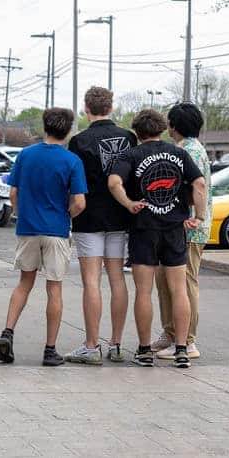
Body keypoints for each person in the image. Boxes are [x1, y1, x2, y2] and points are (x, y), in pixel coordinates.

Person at [109, 109, 207, 369]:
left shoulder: (131, 155)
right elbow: (199, 184)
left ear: (137, 131)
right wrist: (199, 216)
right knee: (179, 289)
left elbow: (114, 182)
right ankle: (182, 348)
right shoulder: (179, 153)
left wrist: (129, 203)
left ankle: (144, 350)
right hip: (174, 228)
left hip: (144, 228)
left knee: (144, 291)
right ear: (163, 128)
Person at [0, 108, 86, 367]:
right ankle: (50, 349)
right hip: (56, 230)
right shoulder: (72, 161)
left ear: (45, 127)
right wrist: (66, 214)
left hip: (28, 228)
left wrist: (20, 214)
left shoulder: (26, 155)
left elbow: (13, 192)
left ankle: (8, 332)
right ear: (67, 131)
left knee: (24, 283)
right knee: (54, 288)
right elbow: (80, 202)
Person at [66, 86, 135, 365]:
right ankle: (116, 344)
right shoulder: (128, 137)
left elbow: (75, 183)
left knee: (91, 281)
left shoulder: (79, 141)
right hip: (120, 213)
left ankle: (91, 345)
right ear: (111, 107)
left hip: (89, 216)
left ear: (86, 108)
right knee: (117, 278)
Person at [151, 103, 211, 361]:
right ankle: (170, 332)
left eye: (169, 122)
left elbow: (198, 187)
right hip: (176, 227)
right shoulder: (185, 148)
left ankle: (187, 341)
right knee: (165, 281)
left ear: (174, 126)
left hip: (190, 228)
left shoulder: (190, 152)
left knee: (184, 283)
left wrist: (197, 217)